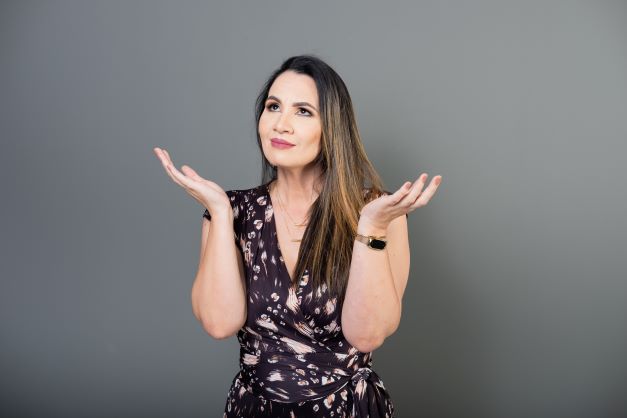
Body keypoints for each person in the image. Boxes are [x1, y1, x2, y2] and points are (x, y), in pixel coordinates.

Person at [153, 54, 442, 417]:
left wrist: (371, 229)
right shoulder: (233, 211)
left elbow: (367, 335)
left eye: (303, 111)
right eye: (273, 107)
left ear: (332, 127)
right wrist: (222, 215)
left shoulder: (379, 212)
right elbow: (218, 323)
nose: (281, 124)